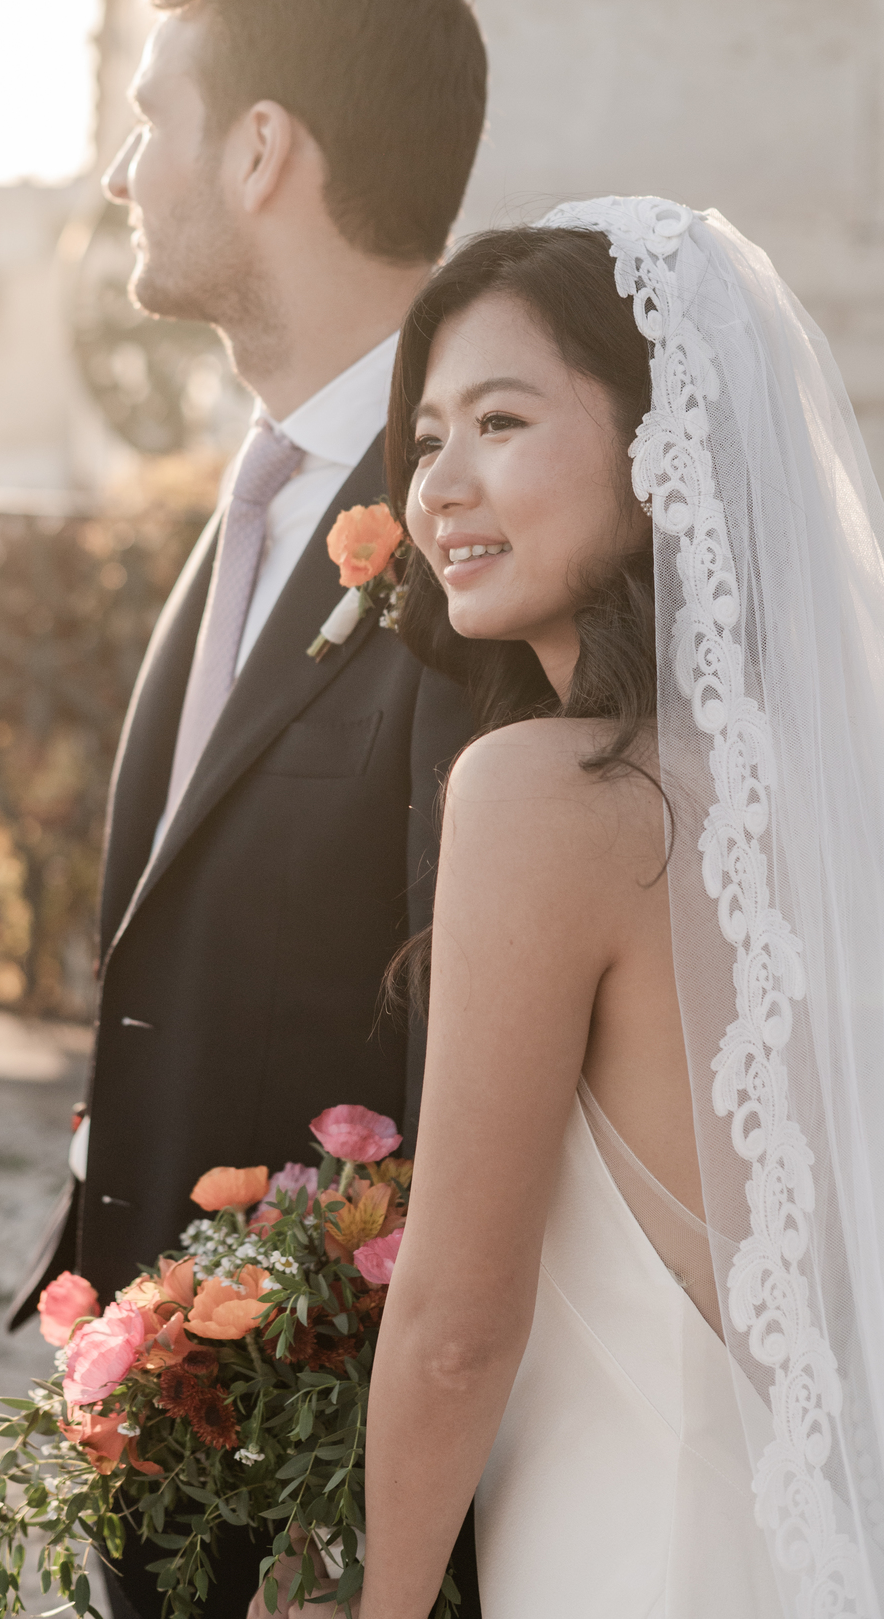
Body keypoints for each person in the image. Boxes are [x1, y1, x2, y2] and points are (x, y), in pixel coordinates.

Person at [8, 0, 488, 1619]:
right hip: (176, 1416)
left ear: (264, 150)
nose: (123, 173)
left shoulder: (471, 537)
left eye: (154, 118)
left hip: (316, 1498)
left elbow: (474, 1062)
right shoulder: (276, 486)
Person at [346, 199, 884, 1618]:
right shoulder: (836, 797)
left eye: (501, 421)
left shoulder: (544, 797)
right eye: (426, 439)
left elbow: (457, 1330)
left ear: (664, 455)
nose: (439, 485)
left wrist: (378, 1604)